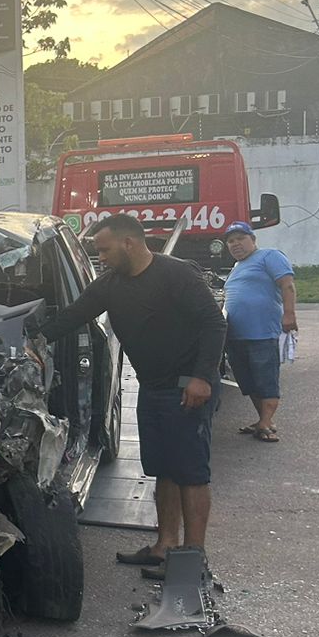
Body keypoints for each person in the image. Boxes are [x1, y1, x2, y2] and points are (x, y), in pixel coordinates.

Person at [37, 213, 227, 572]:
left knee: (191, 472)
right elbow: (72, 316)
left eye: (105, 250)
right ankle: (165, 545)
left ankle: (192, 559)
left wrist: (202, 377)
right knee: (164, 470)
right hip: (153, 389)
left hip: (189, 386)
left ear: (130, 243)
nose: (101, 258)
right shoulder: (110, 286)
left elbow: (214, 323)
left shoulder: (176, 274)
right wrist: (34, 339)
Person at [221, 221, 297, 443]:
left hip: (262, 333)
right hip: (236, 336)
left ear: (253, 240)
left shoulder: (269, 256)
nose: (235, 244)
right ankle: (264, 420)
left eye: (240, 239)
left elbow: (287, 285)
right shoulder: (237, 266)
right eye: (231, 241)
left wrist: (289, 314)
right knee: (248, 382)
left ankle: (266, 424)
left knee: (266, 380)